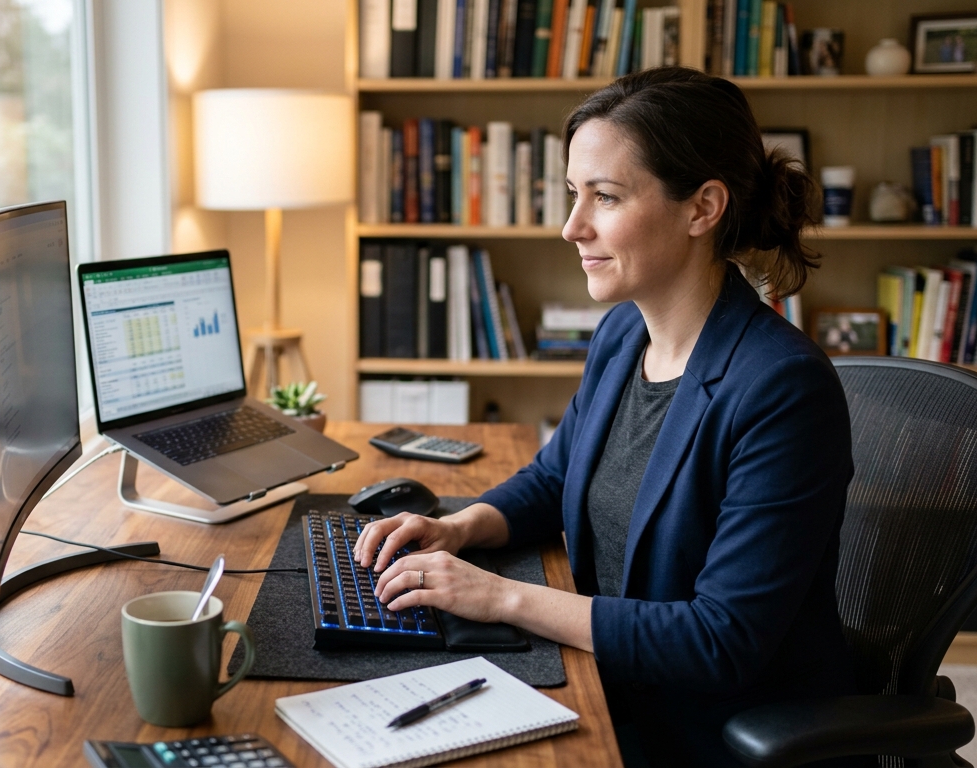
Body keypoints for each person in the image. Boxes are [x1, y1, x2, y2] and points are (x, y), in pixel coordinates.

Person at [354, 67, 860, 767]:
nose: (572, 226)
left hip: (706, 731)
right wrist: (456, 526)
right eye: (573, 194)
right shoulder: (626, 333)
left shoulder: (782, 390)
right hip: (604, 678)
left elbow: (721, 640)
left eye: (606, 197)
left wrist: (500, 597)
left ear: (702, 207)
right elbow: (556, 476)